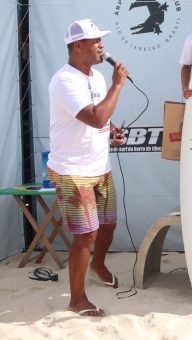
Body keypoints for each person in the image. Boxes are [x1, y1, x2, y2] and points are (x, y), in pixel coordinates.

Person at [47, 19, 128, 317]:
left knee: (108, 225)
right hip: (72, 169)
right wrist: (119, 84)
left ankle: (98, 265)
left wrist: (112, 129)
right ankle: (77, 299)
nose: (101, 45)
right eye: (95, 40)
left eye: (101, 39)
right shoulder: (64, 81)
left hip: (99, 165)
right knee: (85, 235)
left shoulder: (97, 77)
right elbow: (94, 117)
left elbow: (100, 119)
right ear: (77, 45)